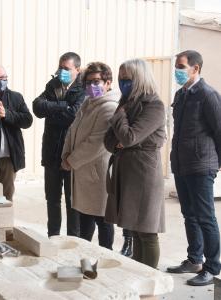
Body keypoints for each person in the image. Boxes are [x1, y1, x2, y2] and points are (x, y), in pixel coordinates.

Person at [104, 58, 166, 269]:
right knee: (135, 229)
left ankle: (150, 279)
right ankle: (140, 274)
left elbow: (129, 137)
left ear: (139, 79)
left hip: (144, 172)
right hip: (127, 170)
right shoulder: (126, 103)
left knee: (147, 231)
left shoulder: (154, 105)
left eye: (127, 79)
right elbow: (109, 142)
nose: (123, 83)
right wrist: (121, 134)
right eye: (121, 78)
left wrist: (120, 119)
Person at [167, 50, 221, 286]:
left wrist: (216, 164)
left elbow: (219, 130)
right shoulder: (181, 94)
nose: (177, 71)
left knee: (205, 217)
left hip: (201, 166)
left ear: (195, 68)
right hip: (182, 164)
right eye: (176, 66)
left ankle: (212, 268)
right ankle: (194, 260)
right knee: (189, 214)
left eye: (181, 66)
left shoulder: (208, 95)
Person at [61, 62, 118, 249]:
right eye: (88, 83)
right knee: (85, 220)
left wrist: (71, 160)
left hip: (97, 174)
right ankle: (86, 259)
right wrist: (65, 155)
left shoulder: (109, 107)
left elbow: (96, 143)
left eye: (96, 82)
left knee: (103, 220)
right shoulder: (88, 104)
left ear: (108, 83)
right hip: (83, 172)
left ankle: (106, 260)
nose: (91, 87)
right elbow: (71, 132)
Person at [33, 52, 85, 237]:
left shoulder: (83, 88)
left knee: (73, 202)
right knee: (52, 200)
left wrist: (52, 109)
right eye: (60, 67)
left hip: (71, 155)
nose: (61, 71)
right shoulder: (53, 85)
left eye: (66, 68)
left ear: (77, 70)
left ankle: (73, 240)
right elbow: (37, 107)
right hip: (51, 153)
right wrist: (62, 106)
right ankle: (52, 237)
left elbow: (74, 116)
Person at [0, 65, 33, 201]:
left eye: (4, 78)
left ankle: (6, 223)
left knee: (7, 197)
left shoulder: (16, 97)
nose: (1, 81)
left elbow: (27, 120)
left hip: (9, 157)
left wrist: (8, 115)